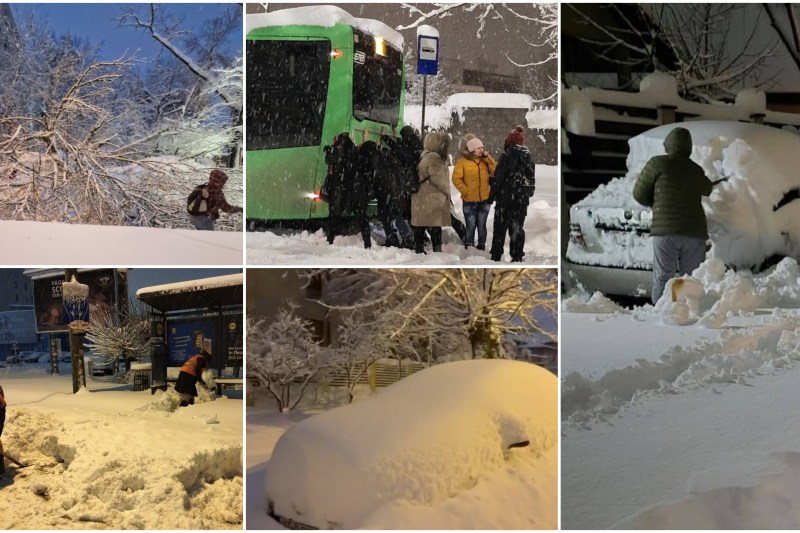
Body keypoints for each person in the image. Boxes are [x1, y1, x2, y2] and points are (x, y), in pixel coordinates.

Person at [633, 127, 713, 303]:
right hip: (694, 232)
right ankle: (688, 312)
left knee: (663, 277)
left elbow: (639, 194)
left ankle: (661, 311)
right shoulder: (696, 170)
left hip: (666, 231)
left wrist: (658, 204)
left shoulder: (657, 164)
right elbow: (708, 189)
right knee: (690, 279)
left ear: (668, 144)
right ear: (689, 147)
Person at [490, 125, 536, 262]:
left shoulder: (506, 156)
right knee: (517, 228)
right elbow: (531, 179)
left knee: (500, 229)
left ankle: (496, 255)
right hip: (521, 200)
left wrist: (492, 194)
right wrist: (526, 193)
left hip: (505, 199)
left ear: (509, 141)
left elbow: (499, 179)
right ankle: (517, 255)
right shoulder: (528, 157)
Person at [321, 133, 372, 249]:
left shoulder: (337, 151)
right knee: (362, 217)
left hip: (341, 189)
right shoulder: (355, 152)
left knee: (334, 215)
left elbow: (329, 160)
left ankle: (330, 239)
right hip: (357, 190)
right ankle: (367, 242)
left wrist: (328, 150)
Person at [452, 135, 496, 250]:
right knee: (470, 226)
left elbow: (495, 171)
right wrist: (465, 190)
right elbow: (456, 179)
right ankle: (469, 246)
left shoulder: (485, 161)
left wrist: (488, 159)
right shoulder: (462, 162)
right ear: (472, 149)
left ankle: (481, 247)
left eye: (482, 147)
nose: (482, 149)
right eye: (478, 148)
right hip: (469, 201)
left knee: (482, 226)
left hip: (484, 200)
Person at [381, 126, 422, 248]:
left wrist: (385, 138)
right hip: (415, 185)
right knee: (408, 212)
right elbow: (402, 149)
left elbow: (399, 151)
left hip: (406, 184)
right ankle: (415, 236)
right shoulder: (417, 145)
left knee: (397, 211)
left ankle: (407, 237)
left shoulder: (409, 147)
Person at [411, 131, 452, 254]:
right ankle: (437, 250)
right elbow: (440, 179)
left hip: (420, 197)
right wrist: (447, 193)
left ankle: (419, 249)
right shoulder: (434, 158)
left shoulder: (423, 155)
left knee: (420, 226)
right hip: (431, 198)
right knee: (435, 226)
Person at [175, 341, 210, 407]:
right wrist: (201, 381)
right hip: (188, 375)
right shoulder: (202, 359)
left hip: (184, 373)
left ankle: (191, 408)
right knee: (188, 394)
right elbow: (197, 369)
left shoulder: (197, 357)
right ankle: (182, 408)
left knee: (192, 392)